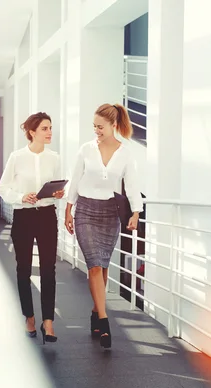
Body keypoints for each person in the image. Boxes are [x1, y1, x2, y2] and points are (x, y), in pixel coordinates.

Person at [64, 103, 143, 349]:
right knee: (94, 266)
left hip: (110, 213)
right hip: (85, 211)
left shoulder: (126, 153)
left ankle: (95, 312)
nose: (96, 130)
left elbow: (131, 184)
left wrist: (136, 212)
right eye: (94, 126)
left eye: (100, 126)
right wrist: (68, 209)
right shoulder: (86, 150)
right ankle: (105, 320)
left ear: (113, 125)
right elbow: (75, 179)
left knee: (104, 266)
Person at [0, 112, 64, 345]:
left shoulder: (54, 158)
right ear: (32, 132)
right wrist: (21, 197)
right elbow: (2, 188)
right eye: (45, 128)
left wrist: (58, 193)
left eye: (50, 128)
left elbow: (57, 187)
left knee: (48, 270)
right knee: (23, 269)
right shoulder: (17, 157)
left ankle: (48, 322)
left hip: (47, 216)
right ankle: (29, 317)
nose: (49, 132)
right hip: (23, 216)